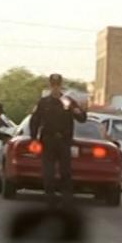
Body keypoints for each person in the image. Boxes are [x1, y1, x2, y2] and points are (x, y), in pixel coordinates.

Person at [29, 74, 87, 206]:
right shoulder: (43, 102)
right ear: (50, 85)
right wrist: (33, 138)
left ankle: (66, 198)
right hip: (48, 140)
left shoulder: (68, 101)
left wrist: (78, 111)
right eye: (53, 84)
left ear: (61, 85)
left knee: (65, 171)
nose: (55, 87)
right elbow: (35, 120)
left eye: (58, 84)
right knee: (48, 172)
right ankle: (50, 197)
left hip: (64, 140)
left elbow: (82, 119)